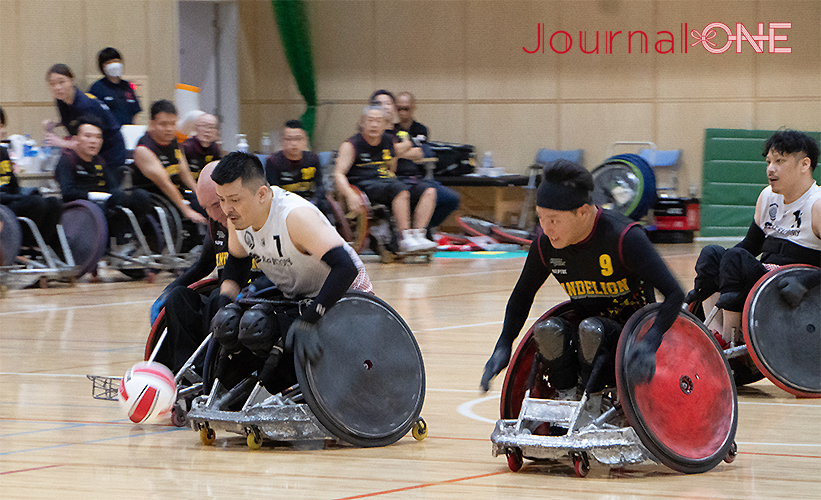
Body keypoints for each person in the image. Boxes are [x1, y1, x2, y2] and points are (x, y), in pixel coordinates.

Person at [480, 160, 685, 396]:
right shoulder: (546, 245)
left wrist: (651, 340)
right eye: (541, 219)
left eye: (554, 220)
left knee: (591, 329)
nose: (546, 229)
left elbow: (675, 293)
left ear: (583, 212)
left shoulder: (624, 237)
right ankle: (568, 397)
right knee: (548, 329)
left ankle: (592, 399)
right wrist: (503, 344)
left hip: (630, 342)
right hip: (586, 340)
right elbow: (522, 296)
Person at [208, 151, 372, 394]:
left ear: (262, 194)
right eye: (221, 199)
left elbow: (345, 268)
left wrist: (310, 319)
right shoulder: (238, 219)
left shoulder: (294, 217)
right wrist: (224, 304)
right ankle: (245, 393)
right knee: (235, 323)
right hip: (299, 297)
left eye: (234, 199)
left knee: (261, 326)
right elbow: (237, 263)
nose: (227, 209)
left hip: (346, 296)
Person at [686, 129, 821, 347]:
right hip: (765, 280)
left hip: (794, 286)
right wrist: (709, 275)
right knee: (712, 253)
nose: (770, 169)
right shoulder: (768, 196)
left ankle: (732, 341)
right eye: (768, 162)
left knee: (735, 258)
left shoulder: (817, 204)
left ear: (805, 165)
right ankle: (715, 335)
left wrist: (807, 282)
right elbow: (750, 244)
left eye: (779, 161)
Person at [150, 160, 261, 373]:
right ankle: (183, 372)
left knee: (216, 299)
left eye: (216, 205)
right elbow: (203, 265)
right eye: (205, 207)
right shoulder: (215, 223)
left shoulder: (256, 220)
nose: (213, 214)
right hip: (225, 299)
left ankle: (206, 370)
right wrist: (168, 291)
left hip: (258, 303)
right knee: (179, 299)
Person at [334, 104, 437, 253]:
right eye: (370, 120)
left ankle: (418, 235)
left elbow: (394, 163)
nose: (374, 124)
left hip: (386, 182)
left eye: (378, 121)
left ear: (385, 124)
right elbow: (339, 173)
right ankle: (405, 238)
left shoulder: (388, 140)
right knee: (398, 188)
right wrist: (349, 195)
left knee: (428, 190)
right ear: (363, 122)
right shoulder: (351, 144)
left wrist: (407, 143)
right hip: (363, 185)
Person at [54, 115, 153, 242]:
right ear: (75, 139)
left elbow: (112, 188)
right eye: (88, 136)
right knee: (113, 201)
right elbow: (67, 193)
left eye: (98, 137)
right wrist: (93, 196)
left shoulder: (100, 161)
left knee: (140, 196)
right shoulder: (67, 159)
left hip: (105, 204)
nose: (93, 141)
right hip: (80, 208)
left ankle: (129, 239)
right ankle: (119, 239)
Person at [131, 99, 206, 224]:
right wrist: (186, 210)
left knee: (204, 204)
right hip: (155, 196)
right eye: (163, 124)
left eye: (172, 124)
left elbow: (185, 173)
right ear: (152, 124)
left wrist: (201, 195)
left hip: (175, 192)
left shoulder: (173, 142)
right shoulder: (143, 149)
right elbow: (164, 183)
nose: (169, 129)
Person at [394, 91, 460, 231]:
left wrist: (401, 152)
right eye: (399, 109)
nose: (402, 112)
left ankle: (426, 227)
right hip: (397, 178)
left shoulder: (420, 129)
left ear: (413, 108)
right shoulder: (390, 131)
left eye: (406, 109)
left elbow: (421, 153)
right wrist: (408, 152)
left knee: (452, 199)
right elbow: (394, 152)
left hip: (419, 178)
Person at [0, 105, 63, 252]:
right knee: (35, 204)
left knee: (54, 203)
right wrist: (16, 198)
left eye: (2, 125)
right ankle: (21, 247)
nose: (2, 130)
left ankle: (40, 247)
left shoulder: (3, 152)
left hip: (8, 202)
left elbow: (13, 185)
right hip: (3, 206)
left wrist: (28, 192)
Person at [44, 64, 127, 171]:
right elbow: (73, 123)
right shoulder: (61, 101)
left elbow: (88, 142)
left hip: (109, 153)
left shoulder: (85, 105)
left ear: (72, 81)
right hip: (92, 155)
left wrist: (61, 143)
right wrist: (55, 123)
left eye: (61, 82)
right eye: (52, 84)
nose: (57, 87)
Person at [264, 119, 330, 214]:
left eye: (298, 138)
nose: (294, 143)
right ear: (282, 141)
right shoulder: (273, 162)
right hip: (284, 206)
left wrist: (315, 203)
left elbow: (320, 186)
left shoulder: (313, 159)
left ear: (305, 140)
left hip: (310, 204)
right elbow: (274, 193)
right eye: (289, 139)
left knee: (326, 205)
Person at [88, 47, 142, 127]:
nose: (115, 65)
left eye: (117, 61)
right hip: (108, 134)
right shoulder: (97, 88)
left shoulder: (127, 86)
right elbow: (91, 114)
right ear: (102, 67)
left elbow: (134, 114)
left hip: (127, 132)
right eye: (110, 62)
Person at [182, 113, 221, 178]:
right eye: (204, 126)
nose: (207, 130)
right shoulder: (187, 147)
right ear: (196, 128)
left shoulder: (215, 148)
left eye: (211, 127)